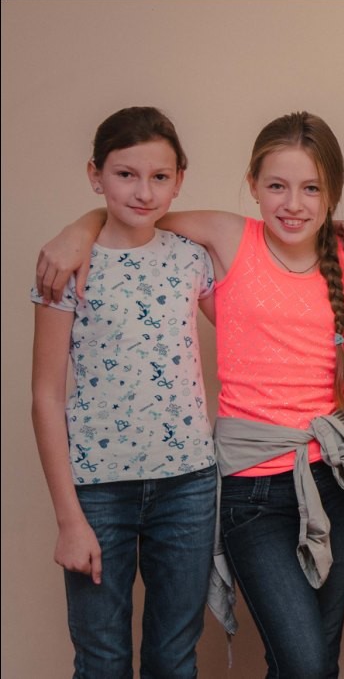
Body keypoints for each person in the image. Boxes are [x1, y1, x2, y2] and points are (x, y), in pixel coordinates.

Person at [36, 111, 344, 679]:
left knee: (305, 662)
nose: (294, 203)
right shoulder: (220, 238)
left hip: (302, 477)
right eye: (277, 185)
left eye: (312, 188)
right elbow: (138, 215)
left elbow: (297, 339)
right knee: (109, 659)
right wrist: (82, 225)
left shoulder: (337, 255)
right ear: (252, 185)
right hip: (233, 484)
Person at [30, 106, 218, 677]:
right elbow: (45, 396)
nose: (143, 192)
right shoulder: (66, 263)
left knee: (173, 658)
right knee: (102, 660)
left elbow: (259, 322)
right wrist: (69, 518)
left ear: (179, 180)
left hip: (187, 485)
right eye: (125, 174)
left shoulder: (191, 258)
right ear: (96, 175)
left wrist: (330, 242)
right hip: (97, 492)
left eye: (159, 176)